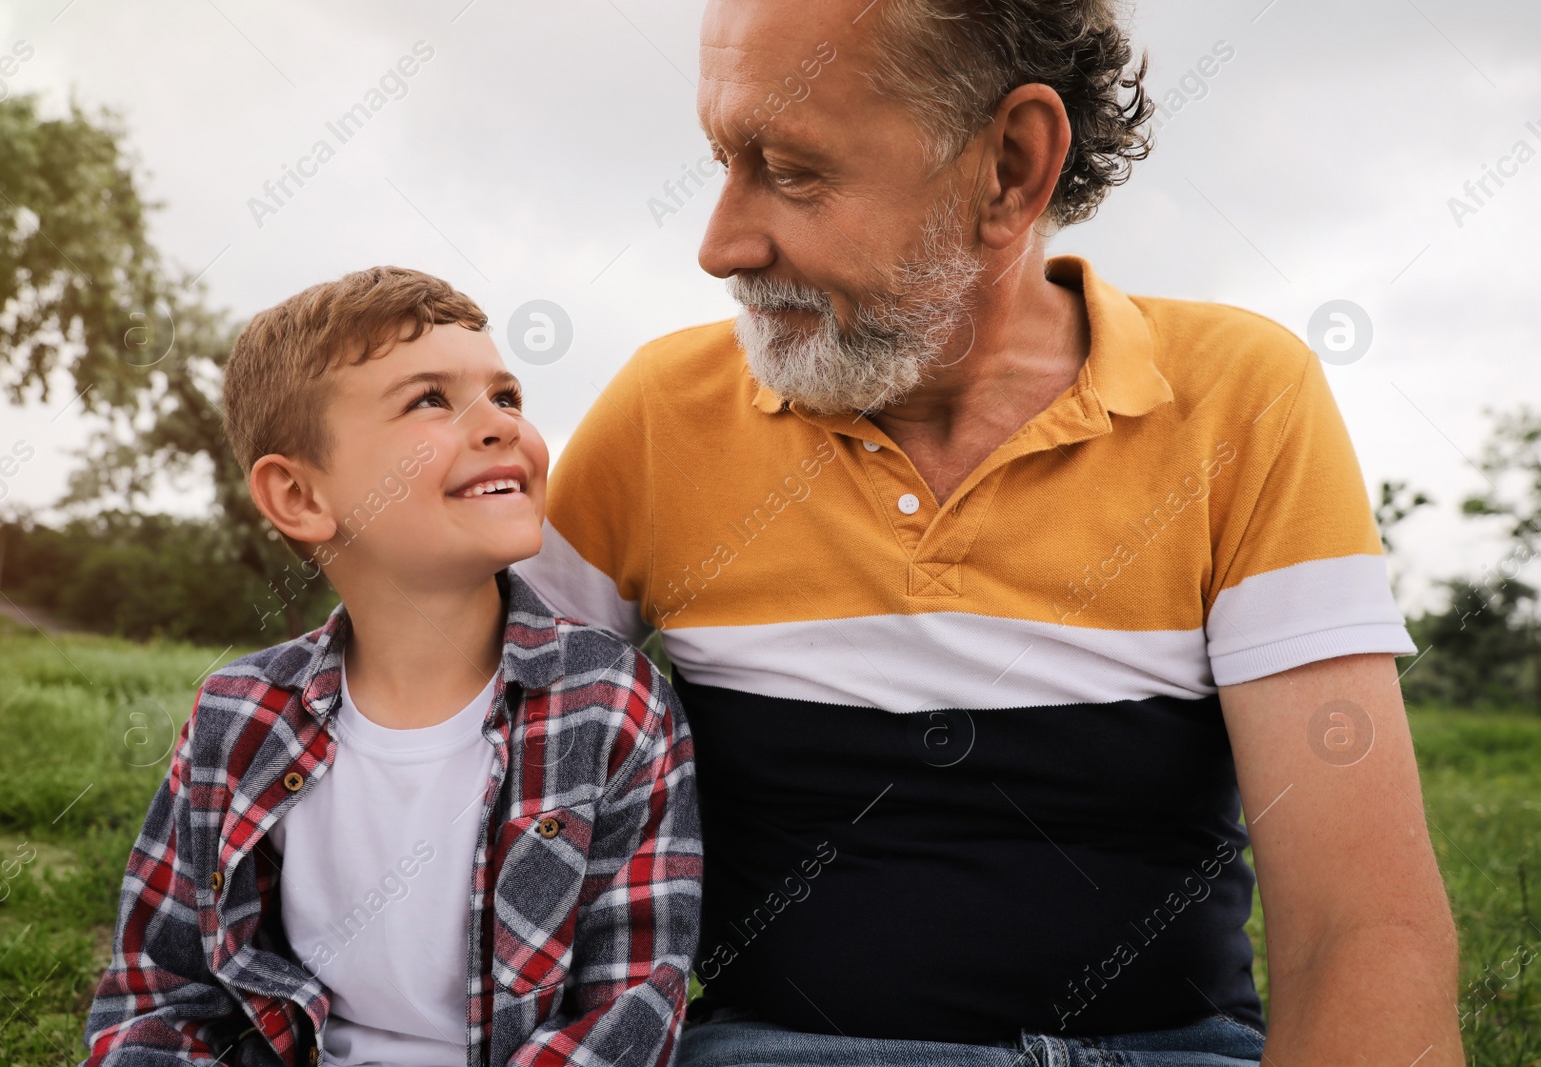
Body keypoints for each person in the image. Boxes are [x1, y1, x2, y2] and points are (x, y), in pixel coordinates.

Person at [513, 1, 1463, 1064]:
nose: (719, 244)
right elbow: (451, 751)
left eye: (792, 171)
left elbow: (1364, 927)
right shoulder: (660, 413)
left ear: (1010, 166)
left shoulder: (1242, 398)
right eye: (724, 160)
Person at [83, 267, 703, 1067]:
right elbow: (159, 995)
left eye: (507, 396)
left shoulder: (615, 705)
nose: (500, 425)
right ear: (301, 496)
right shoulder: (233, 719)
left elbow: (633, 1007)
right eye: (429, 399)